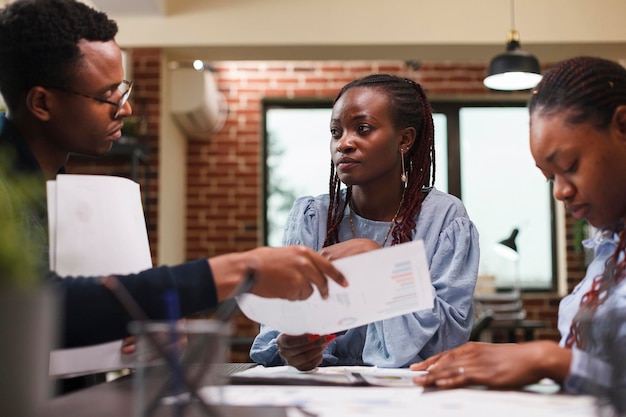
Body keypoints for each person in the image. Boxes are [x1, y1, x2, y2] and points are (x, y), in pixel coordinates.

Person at [0, 0, 349, 351]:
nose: (127, 108)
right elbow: (37, 308)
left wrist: (142, 323)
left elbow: (81, 312)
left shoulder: (58, 188)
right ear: (42, 103)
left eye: (123, 90)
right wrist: (239, 269)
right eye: (108, 96)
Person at [410, 56, 626, 413]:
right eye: (550, 178)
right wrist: (512, 356)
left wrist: (552, 360)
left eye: (569, 166)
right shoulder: (609, 247)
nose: (560, 192)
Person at [250, 74, 480, 371]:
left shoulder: (444, 219)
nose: (344, 143)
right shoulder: (313, 217)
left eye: (363, 129)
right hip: (321, 393)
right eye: (336, 132)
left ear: (405, 139)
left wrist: (380, 264)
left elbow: (448, 339)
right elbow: (277, 328)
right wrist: (291, 348)